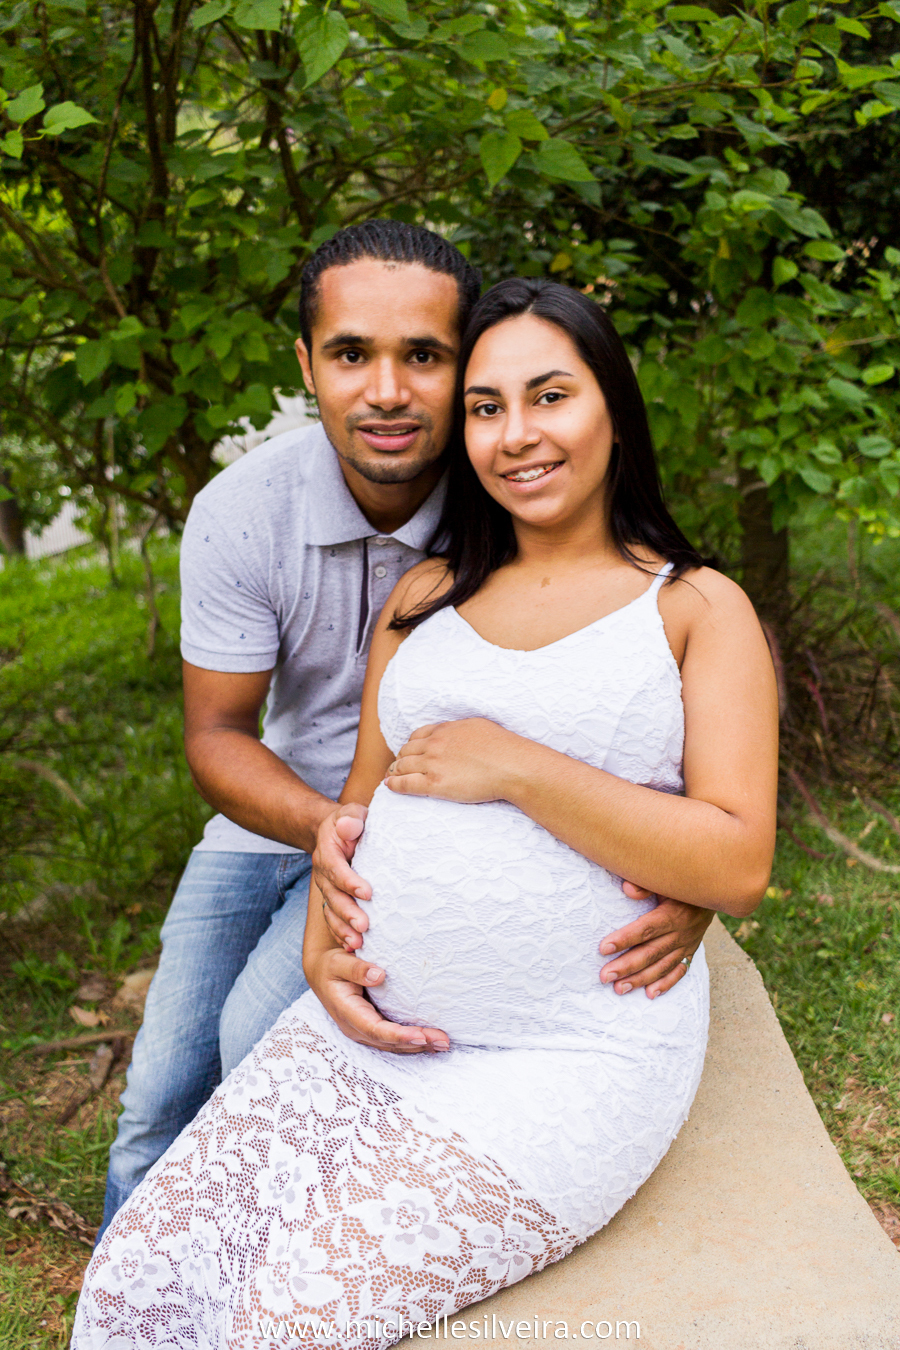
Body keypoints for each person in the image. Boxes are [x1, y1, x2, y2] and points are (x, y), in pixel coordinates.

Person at [74, 278, 778, 1349]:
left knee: (288, 1318)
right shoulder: (425, 597)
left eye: (551, 396)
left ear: (614, 407)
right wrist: (322, 948)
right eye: (488, 408)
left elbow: (736, 863)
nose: (517, 434)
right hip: (364, 1042)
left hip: (565, 1058)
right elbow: (357, 814)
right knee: (138, 1277)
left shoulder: (693, 606)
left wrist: (517, 767)